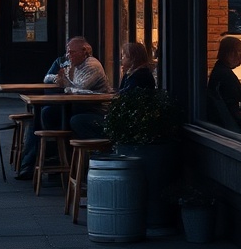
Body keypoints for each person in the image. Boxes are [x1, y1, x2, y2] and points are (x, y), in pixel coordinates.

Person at [15, 36, 112, 180]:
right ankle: (46, 161)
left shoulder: (91, 65)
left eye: (72, 52)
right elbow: (48, 78)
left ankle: (49, 162)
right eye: (68, 52)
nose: (68, 55)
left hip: (92, 108)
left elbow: (80, 87)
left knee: (50, 116)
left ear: (85, 51)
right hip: (76, 107)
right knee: (44, 115)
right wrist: (60, 80)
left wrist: (66, 84)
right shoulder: (72, 63)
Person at [69, 41, 155, 139]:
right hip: (122, 117)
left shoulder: (140, 76)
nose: (121, 59)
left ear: (133, 59)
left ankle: (104, 146)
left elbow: (125, 96)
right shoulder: (130, 74)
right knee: (79, 115)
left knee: (77, 120)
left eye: (124, 56)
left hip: (126, 121)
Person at [207, 35, 241, 131]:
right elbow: (236, 114)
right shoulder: (225, 76)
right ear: (230, 54)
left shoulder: (220, 71)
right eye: (240, 51)